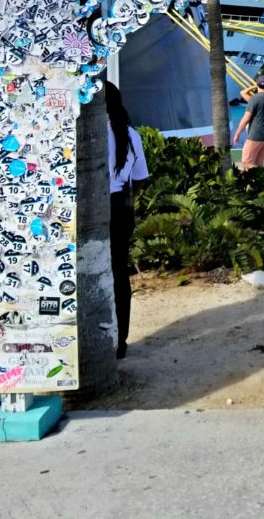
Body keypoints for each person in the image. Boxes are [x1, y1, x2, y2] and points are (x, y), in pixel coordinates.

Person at [105, 82, 149, 360]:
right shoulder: (130, 134)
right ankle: (120, 339)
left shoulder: (84, 131)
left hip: (91, 208)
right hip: (120, 207)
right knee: (119, 273)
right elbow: (141, 180)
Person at [232, 75, 264, 169]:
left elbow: (246, 118)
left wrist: (237, 133)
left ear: (257, 84)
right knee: (258, 163)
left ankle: (250, 182)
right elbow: (244, 94)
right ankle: (260, 182)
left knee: (247, 163)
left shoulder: (254, 99)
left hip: (255, 136)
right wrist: (258, 86)